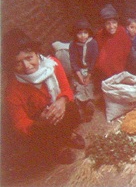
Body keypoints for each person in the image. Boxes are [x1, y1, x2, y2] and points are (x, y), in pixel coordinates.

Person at [3, 29, 84, 165]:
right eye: (18, 63)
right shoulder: (13, 90)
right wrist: (39, 123)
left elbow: (66, 89)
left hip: (57, 108)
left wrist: (62, 101)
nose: (27, 66)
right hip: (38, 123)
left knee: (72, 109)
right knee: (41, 138)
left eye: (29, 58)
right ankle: (59, 149)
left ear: (37, 53)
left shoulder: (52, 65)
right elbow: (19, 123)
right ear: (11, 66)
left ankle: (68, 135)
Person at [69, 18, 99, 122]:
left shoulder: (93, 43)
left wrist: (88, 75)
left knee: (89, 86)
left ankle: (89, 105)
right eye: (80, 33)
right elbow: (73, 62)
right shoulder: (73, 45)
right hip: (78, 72)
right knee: (79, 87)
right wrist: (80, 76)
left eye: (85, 33)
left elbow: (94, 61)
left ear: (89, 33)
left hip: (90, 71)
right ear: (75, 34)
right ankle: (81, 107)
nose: (83, 36)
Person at [94, 4, 132, 82]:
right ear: (104, 25)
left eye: (114, 23)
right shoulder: (100, 35)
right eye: (108, 23)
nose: (111, 26)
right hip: (108, 68)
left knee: (135, 56)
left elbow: (127, 49)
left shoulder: (122, 31)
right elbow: (100, 55)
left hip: (122, 63)